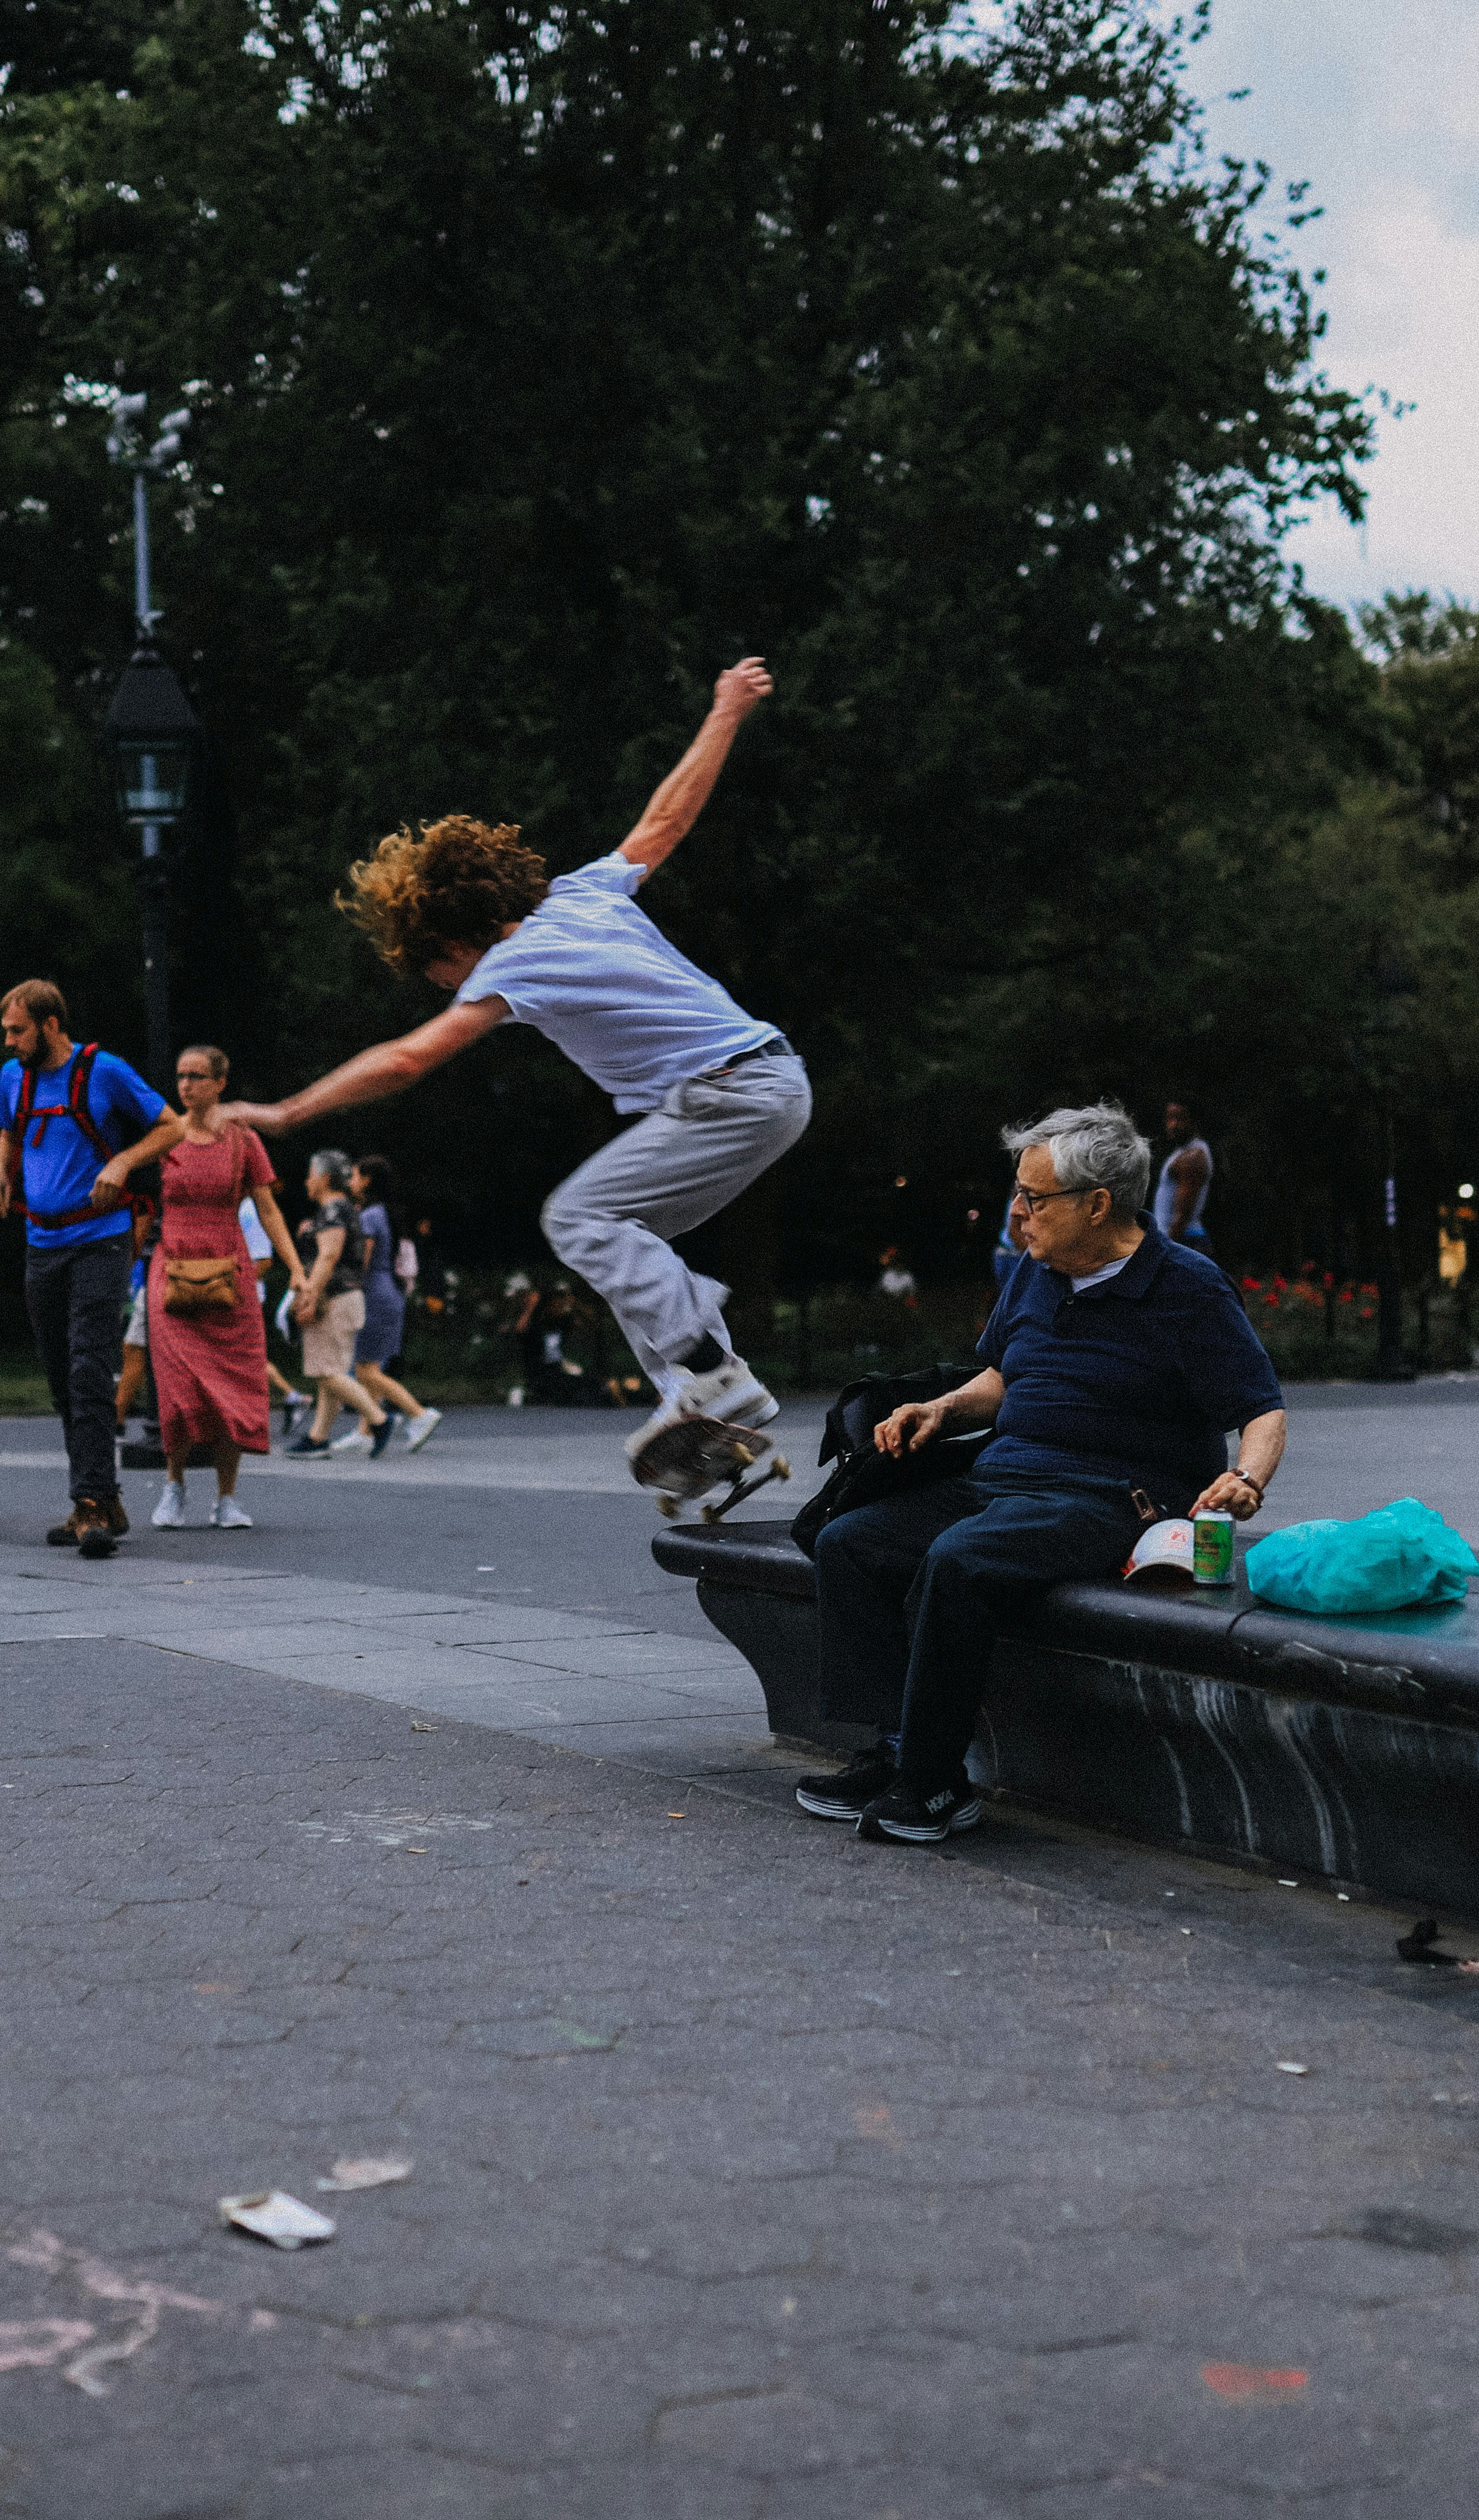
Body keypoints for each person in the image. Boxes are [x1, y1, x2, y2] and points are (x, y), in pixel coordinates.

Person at [221, 657, 810, 1477]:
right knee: (624, 1239)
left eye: (433, 970)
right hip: (772, 1082)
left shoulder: (511, 963)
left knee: (577, 1219)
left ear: (448, 939)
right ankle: (699, 1403)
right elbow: (667, 818)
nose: (442, 986)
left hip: (729, 1093)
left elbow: (409, 1058)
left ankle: (713, 1376)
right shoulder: (583, 892)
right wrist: (724, 710)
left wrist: (286, 1113)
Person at [794, 1102, 1286, 1846]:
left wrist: (1245, 1479)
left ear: (1096, 1204)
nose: (1016, 1213)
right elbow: (1003, 1374)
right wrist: (940, 1408)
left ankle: (933, 1783)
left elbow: (1260, 1408)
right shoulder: (1036, 1270)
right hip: (1003, 1478)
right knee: (850, 1541)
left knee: (958, 1559)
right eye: (1018, 1193)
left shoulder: (1188, 1287)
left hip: (1114, 1497)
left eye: (1033, 1197)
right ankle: (892, 1747)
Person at [0, 980, 184, 1558]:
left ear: (51, 1025)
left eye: (18, 1031)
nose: (9, 1042)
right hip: (42, 1243)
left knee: (88, 1369)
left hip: (100, 1240)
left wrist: (124, 1162)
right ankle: (103, 1499)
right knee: (62, 1379)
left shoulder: (104, 1071)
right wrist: (5, 1170)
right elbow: (10, 1128)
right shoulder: (12, 1078)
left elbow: (172, 1126)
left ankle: (91, 1504)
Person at [149, 1046, 306, 1531]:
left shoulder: (242, 1140)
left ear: (220, 1083)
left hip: (229, 1269)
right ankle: (174, 1487)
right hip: (172, 1267)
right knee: (177, 1385)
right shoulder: (163, 1135)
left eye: (197, 1076)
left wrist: (296, 1269)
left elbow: (268, 1209)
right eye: (181, 1076)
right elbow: (139, 1204)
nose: (186, 1085)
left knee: (232, 1385)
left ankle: (227, 1497)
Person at [329, 1155, 442, 1455]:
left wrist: (339, 1290)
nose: (351, 1181)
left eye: (355, 1176)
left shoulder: (369, 1216)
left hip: (374, 1296)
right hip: (390, 1292)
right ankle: (365, 1432)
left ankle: (419, 1414)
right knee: (371, 1366)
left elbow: (361, 1263)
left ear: (367, 1181)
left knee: (365, 1371)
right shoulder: (385, 1212)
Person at [285, 1150, 393, 1457]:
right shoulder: (343, 1210)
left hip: (334, 1299)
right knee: (329, 1372)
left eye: (310, 1175)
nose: (307, 1182)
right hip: (347, 1299)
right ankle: (317, 1438)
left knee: (327, 1373)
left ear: (324, 1178)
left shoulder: (333, 1211)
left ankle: (378, 1420)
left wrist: (309, 1295)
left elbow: (329, 1255)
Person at [238, 1193, 311, 1430]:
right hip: (235, 1293)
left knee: (245, 1356)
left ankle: (290, 1398)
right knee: (245, 1356)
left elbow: (264, 1260)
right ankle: (291, 1397)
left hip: (243, 1296)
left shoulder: (249, 1209)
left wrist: (237, 1288)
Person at [1154, 1101, 1214, 1250]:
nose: (1173, 1125)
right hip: (1178, 1241)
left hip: (1185, 1241)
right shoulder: (1181, 1153)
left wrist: (1165, 1249)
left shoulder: (1192, 1157)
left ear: (1194, 1121)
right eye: (1170, 1118)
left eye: (1180, 1118)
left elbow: (1182, 1217)